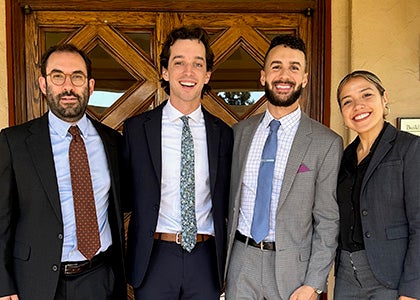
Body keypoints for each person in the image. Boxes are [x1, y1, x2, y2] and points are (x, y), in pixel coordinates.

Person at [0, 44, 126, 300]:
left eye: (77, 77)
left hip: (99, 279)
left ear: (90, 86)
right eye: (58, 76)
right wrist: (3, 285)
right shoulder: (14, 142)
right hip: (35, 282)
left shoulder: (113, 142)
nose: (68, 86)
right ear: (44, 85)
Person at [225, 34, 343, 300]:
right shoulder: (239, 133)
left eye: (294, 67)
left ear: (304, 78)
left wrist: (314, 283)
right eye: (276, 66)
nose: (284, 75)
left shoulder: (326, 143)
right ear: (263, 76)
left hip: (294, 271)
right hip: (241, 260)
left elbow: (327, 220)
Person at [123, 26, 233, 300]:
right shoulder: (137, 130)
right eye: (179, 62)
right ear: (165, 71)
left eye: (198, 64)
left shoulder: (224, 133)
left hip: (206, 259)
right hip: (154, 257)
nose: (188, 72)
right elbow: (124, 194)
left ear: (207, 75)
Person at [334, 70, 420, 300]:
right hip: (346, 277)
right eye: (347, 101)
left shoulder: (410, 148)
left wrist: (412, 291)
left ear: (384, 98)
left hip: (391, 277)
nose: (358, 106)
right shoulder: (343, 158)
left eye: (366, 95)